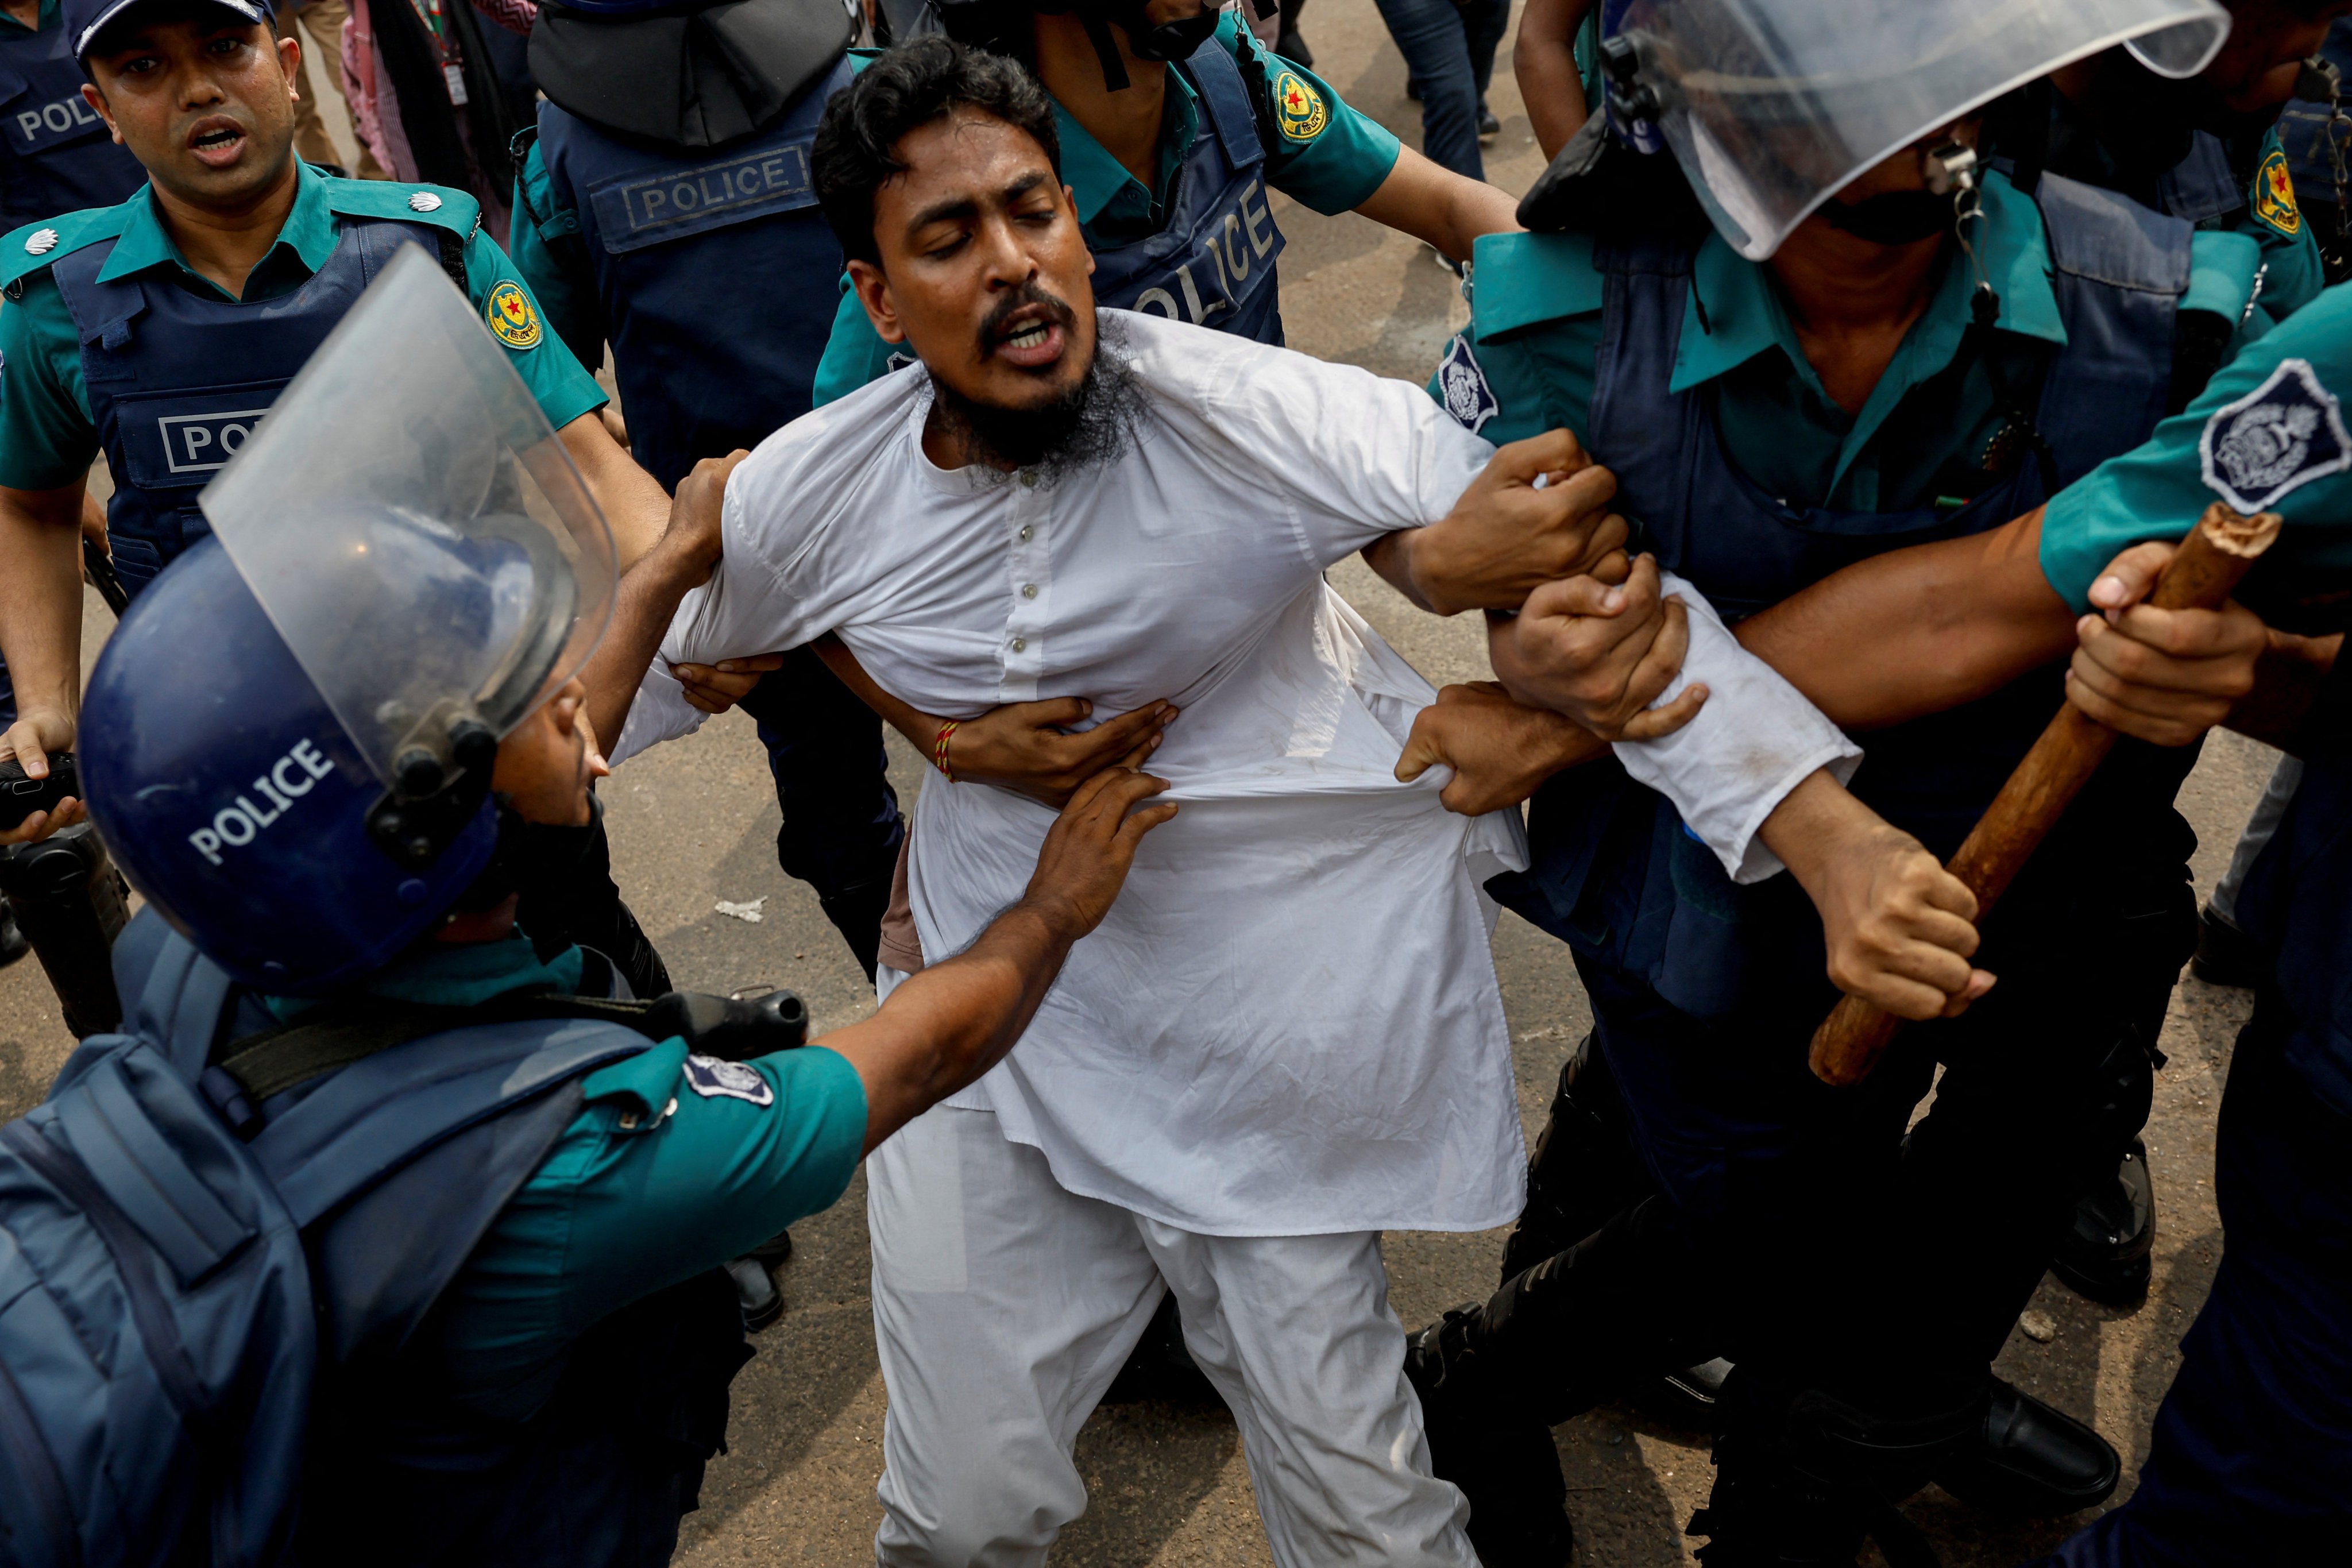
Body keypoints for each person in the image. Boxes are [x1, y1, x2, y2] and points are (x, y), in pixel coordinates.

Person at [597, 38, 2005, 1567]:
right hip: (982, 1018)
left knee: (1366, 1515)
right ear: (875, 299)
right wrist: (676, 578)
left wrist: (1827, 835)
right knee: (958, 1515)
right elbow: (606, 717)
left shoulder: (1231, 405)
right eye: (948, 238)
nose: (1012, 264)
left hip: (1258, 1024)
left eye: (1033, 211)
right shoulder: (815, 488)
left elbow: (1591, 600)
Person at [35, 243, 1179, 1563]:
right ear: (422, 823)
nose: (581, 712)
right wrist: (1052, 907)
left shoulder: (225, 943)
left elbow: (519, 759)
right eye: (520, 693)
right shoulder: (577, 1164)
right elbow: (926, 1052)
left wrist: (663, 570)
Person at [1388, 0, 2264, 1558]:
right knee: (1761, 1238)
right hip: (1707, 920)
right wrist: (1532, 654)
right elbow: (1548, 626)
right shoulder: (1558, 315)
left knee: (1922, 1320)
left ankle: (1803, 1499)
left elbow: (2264, 569)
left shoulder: (2167, 305)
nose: (1903, 98)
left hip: (2049, 900)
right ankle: (1474, 1383)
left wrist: (2238, 651)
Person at [0, 0, 677, 984]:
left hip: (474, 757)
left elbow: (594, 473)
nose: (196, 88)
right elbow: (31, 502)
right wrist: (50, 706)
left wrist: (697, 610)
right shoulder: (53, 305)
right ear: (102, 108)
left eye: (224, 48)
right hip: (241, 801)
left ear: (281, 63)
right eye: (145, 68)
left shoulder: (434, 254)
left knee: (605, 1032)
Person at [503, 0, 907, 972]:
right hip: (920, 499)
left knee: (838, 814)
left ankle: (928, 1017)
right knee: (1018, 740)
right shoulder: (864, 91)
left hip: (736, 556)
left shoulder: (559, 149)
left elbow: (541, 391)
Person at [810, 0, 1518, 394]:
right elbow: (838, 463)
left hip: (1276, 542)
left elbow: (1455, 209)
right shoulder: (955, 190)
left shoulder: (1228, 77)